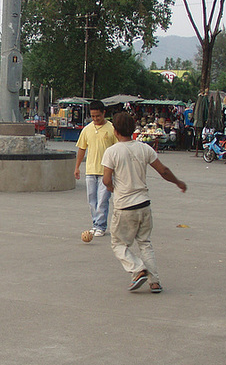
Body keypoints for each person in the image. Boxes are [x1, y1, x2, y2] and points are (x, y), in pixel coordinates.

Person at [102, 112, 187, 293]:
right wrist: (178, 182)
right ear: (133, 130)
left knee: (118, 244)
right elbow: (163, 170)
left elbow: (106, 179)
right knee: (144, 242)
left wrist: (111, 188)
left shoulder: (112, 152)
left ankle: (138, 269)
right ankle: (154, 282)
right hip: (143, 204)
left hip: (124, 205)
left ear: (115, 131)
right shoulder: (144, 149)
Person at [74, 100, 117, 237]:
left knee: (103, 199)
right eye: (93, 116)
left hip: (106, 171)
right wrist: (77, 167)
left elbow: (118, 149)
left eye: (98, 116)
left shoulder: (112, 129)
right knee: (92, 200)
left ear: (104, 113)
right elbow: (82, 148)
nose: (95, 119)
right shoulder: (87, 130)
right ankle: (95, 223)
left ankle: (101, 226)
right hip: (91, 170)